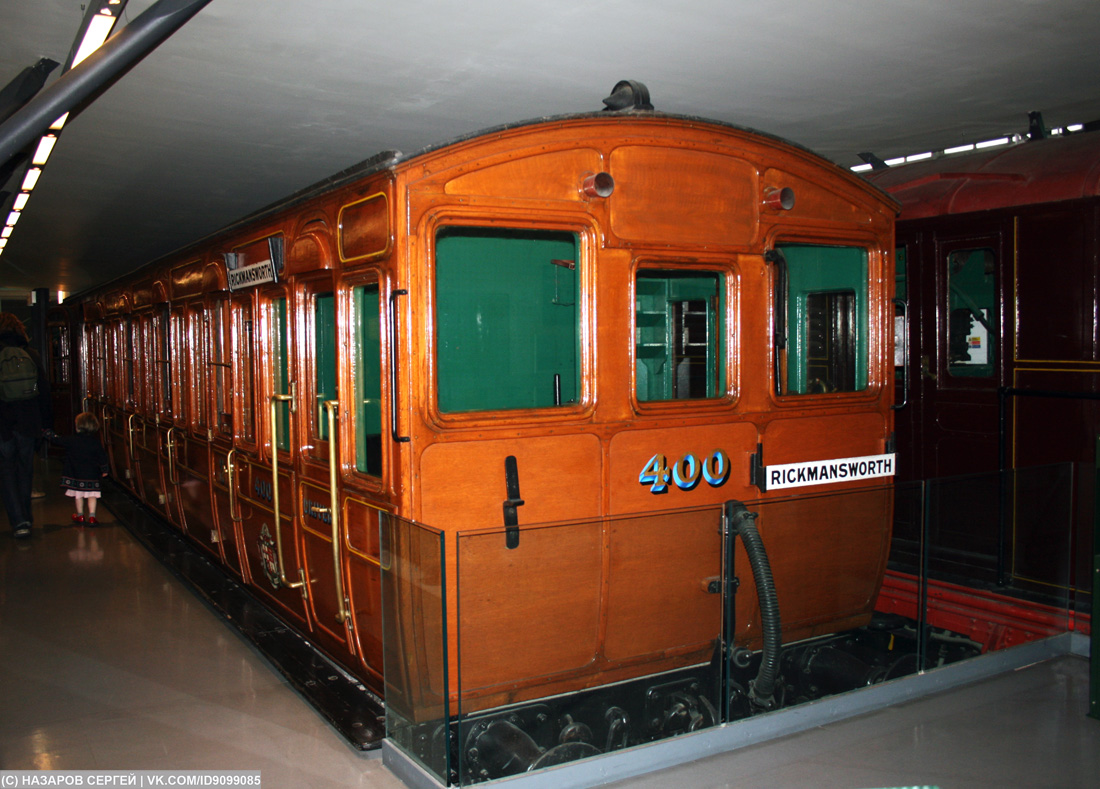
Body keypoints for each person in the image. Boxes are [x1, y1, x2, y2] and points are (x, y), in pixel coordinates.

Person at [0, 312, 52, 539]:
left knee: (6, 471)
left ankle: (18, 521)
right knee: (25, 471)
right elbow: (44, 392)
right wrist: (46, 423)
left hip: (2, 424)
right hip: (29, 423)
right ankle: (28, 517)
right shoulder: (31, 355)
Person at [47, 412, 110, 525]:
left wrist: (48, 433)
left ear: (78, 426)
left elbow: (57, 440)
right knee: (92, 495)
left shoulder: (72, 440)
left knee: (78, 495)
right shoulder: (95, 442)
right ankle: (92, 517)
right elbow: (102, 456)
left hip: (76, 474)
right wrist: (104, 469)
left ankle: (80, 515)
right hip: (92, 474)